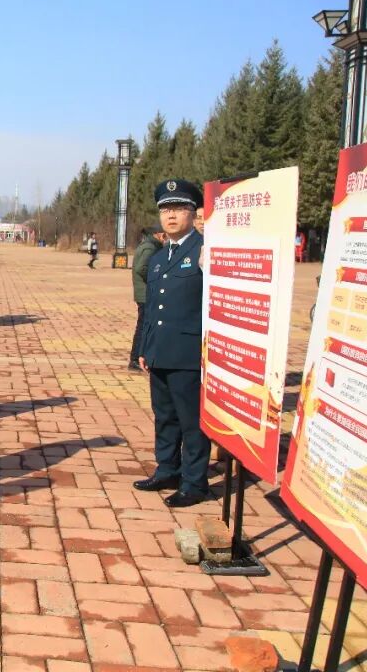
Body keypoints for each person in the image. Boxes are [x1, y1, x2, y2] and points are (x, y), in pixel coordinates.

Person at [135, 179, 210, 508]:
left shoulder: (205, 252)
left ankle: (194, 483)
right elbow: (151, 308)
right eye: (166, 210)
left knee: (191, 422)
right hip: (160, 351)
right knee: (164, 416)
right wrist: (144, 347)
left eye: (179, 209)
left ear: (193, 213)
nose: (171, 216)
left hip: (188, 354)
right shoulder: (158, 257)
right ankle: (167, 469)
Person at [128, 225, 165, 371]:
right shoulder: (150, 247)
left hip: (144, 293)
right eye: (164, 235)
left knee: (144, 325)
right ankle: (135, 358)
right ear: (158, 235)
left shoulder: (148, 245)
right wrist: (155, 279)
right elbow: (141, 268)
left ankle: (138, 357)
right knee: (144, 326)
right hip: (145, 294)